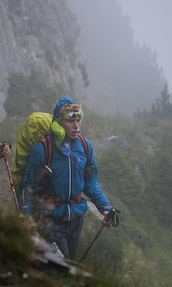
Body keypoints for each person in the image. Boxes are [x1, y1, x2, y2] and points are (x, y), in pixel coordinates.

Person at [20, 96, 113, 260]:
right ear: (58, 122)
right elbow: (28, 190)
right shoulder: (41, 150)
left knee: (71, 265)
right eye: (71, 121)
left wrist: (105, 208)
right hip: (51, 222)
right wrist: (29, 223)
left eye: (79, 120)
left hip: (76, 220)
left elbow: (91, 183)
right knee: (63, 267)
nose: (76, 126)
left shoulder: (85, 146)